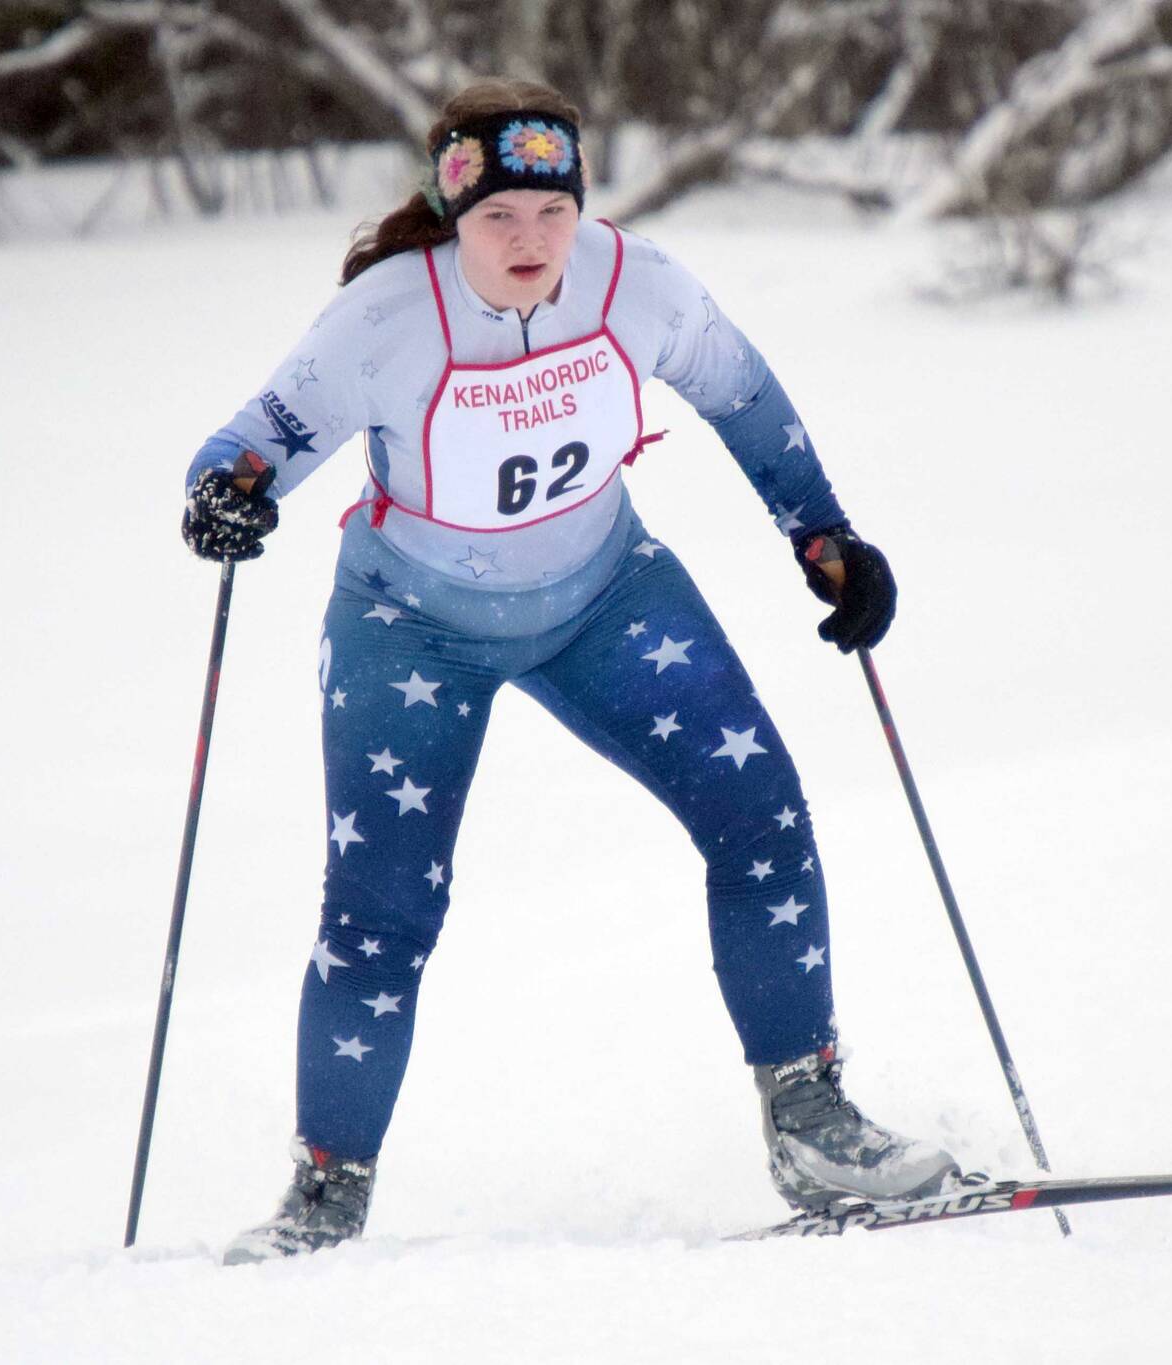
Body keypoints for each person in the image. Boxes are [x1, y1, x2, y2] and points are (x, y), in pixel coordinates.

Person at [183, 78, 961, 1264]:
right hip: (411, 629)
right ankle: (324, 1196)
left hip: (606, 599)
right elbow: (255, 441)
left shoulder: (633, 283)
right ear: (453, 217)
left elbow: (744, 397)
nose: (530, 243)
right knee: (382, 911)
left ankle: (811, 1123)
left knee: (762, 817)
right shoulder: (387, 317)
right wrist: (225, 498)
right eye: (498, 218)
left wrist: (822, 536)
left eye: (551, 212)